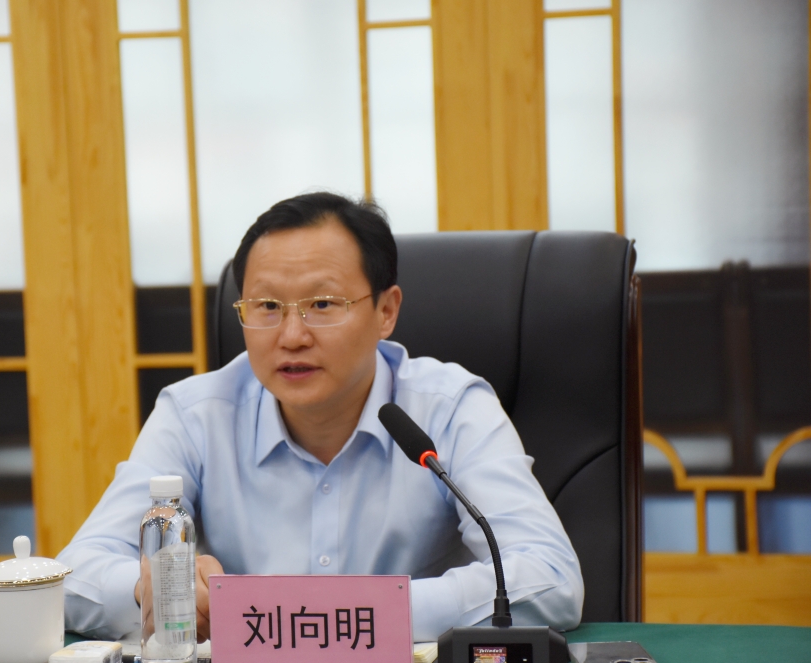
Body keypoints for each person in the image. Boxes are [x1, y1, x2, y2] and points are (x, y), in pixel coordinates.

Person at [57, 192, 583, 643]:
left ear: (386, 311)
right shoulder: (196, 415)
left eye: (323, 304)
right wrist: (149, 591)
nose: (292, 336)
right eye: (267, 307)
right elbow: (73, 577)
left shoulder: (450, 409)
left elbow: (551, 577)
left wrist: (354, 615)